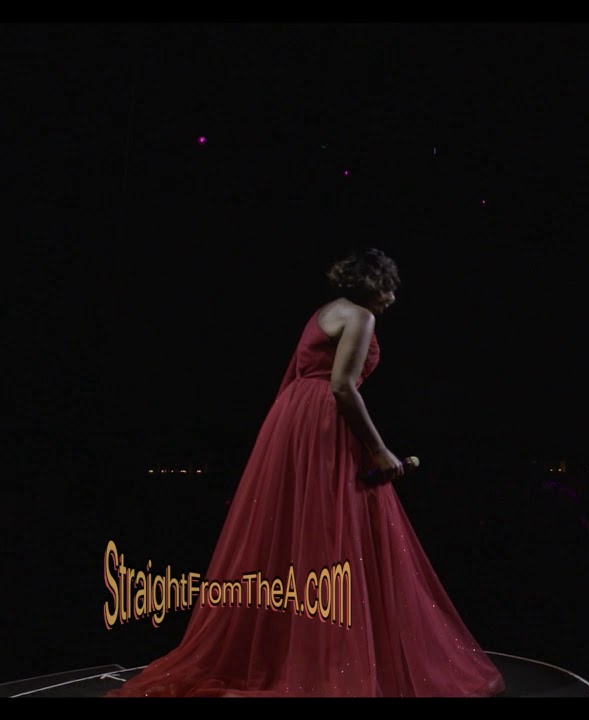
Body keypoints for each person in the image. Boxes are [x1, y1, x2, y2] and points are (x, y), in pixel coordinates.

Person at [108, 248, 506, 697]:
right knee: (334, 534)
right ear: (371, 285)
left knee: (299, 535)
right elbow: (341, 386)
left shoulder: (324, 312)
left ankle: (295, 650)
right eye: (389, 287)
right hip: (322, 425)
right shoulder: (359, 316)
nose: (393, 297)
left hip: (292, 421)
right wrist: (378, 450)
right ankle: (329, 661)